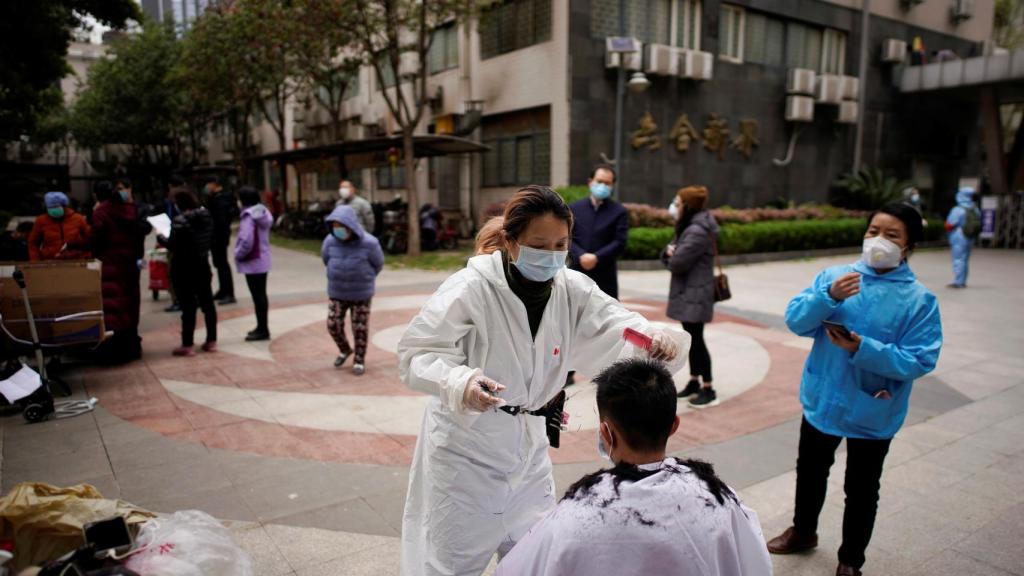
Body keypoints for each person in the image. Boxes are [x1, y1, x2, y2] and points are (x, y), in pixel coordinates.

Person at [397, 185, 688, 576]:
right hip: (465, 452)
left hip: (529, 448)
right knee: (451, 560)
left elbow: (616, 324)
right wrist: (459, 382)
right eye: (539, 244)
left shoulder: (572, 289)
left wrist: (652, 338)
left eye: (560, 244)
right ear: (511, 242)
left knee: (533, 557)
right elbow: (417, 352)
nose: (551, 255)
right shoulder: (472, 288)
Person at [767, 204, 942, 576]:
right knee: (810, 471)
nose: (879, 240)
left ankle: (850, 560)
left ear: (909, 246)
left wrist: (863, 349)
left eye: (892, 235)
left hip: (873, 407)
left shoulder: (919, 301)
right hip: (823, 397)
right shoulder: (835, 276)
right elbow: (796, 321)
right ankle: (803, 531)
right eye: (873, 230)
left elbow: (920, 360)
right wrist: (826, 296)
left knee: (862, 488)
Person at [497, 358, 772, 576]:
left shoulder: (574, 515)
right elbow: (755, 564)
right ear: (674, 425)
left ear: (606, 432)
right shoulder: (719, 500)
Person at [662, 185, 720, 408]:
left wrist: (670, 254)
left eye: (677, 203)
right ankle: (695, 381)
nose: (674, 207)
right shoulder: (691, 226)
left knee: (697, 341)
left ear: (687, 206)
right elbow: (672, 253)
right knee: (692, 338)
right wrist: (670, 253)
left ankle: (708, 388)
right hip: (691, 291)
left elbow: (677, 262)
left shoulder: (697, 230)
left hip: (695, 292)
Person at [322, 205, 384, 375]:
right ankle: (345, 349)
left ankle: (359, 359)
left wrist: (366, 277)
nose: (338, 230)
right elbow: (326, 259)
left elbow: (378, 264)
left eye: (341, 226)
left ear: (351, 226)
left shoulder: (370, 243)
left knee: (360, 328)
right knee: (333, 324)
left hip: (361, 294)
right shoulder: (329, 241)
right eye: (334, 226)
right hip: (337, 292)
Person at [91, 180, 147, 362]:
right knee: (130, 303)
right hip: (130, 263)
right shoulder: (130, 209)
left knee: (112, 307)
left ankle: (114, 351)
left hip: (109, 265)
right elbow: (139, 235)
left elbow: (96, 240)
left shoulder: (100, 213)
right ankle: (132, 345)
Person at [159, 191, 218, 357]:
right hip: (202, 264)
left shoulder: (180, 221)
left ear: (180, 204)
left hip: (183, 267)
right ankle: (211, 341)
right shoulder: (206, 216)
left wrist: (160, 237)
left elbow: (172, 244)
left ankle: (188, 344)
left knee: (188, 306)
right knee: (207, 303)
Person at [569, 165, 629, 299]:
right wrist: (580, 255)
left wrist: (597, 257)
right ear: (590, 182)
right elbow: (565, 237)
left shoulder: (619, 212)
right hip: (576, 272)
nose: (602, 185)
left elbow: (620, 242)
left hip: (605, 275)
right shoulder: (574, 208)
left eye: (607, 183)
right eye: (599, 181)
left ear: (613, 185)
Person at [234, 186, 273, 341]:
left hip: (252, 261)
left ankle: (262, 330)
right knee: (260, 295)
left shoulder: (249, 217)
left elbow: (246, 240)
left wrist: (237, 254)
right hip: (262, 259)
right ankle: (262, 327)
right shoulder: (263, 213)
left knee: (258, 296)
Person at [28, 192, 91, 261]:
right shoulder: (41, 221)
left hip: (75, 260)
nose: (53, 209)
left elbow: (89, 239)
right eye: (51, 207)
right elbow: (33, 243)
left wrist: (86, 256)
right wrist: (36, 261)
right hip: (50, 261)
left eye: (56, 206)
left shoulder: (78, 219)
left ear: (64, 206)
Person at [205, 176, 238, 304]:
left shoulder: (221, 199)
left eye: (208, 184)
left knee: (222, 264)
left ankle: (229, 293)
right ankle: (223, 290)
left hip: (219, 236)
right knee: (219, 263)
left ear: (214, 184)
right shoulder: (217, 198)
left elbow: (221, 221)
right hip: (217, 236)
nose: (207, 187)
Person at [945, 186, 981, 289]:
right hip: (970, 237)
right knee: (965, 259)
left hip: (959, 237)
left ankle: (958, 282)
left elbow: (950, 224)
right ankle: (963, 281)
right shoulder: (975, 209)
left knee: (958, 259)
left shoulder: (957, 209)